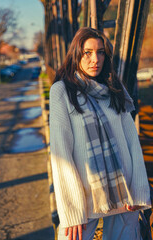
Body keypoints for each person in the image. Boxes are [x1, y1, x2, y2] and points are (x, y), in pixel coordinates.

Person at [49, 27, 151, 240]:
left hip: (124, 192)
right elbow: (61, 153)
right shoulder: (62, 91)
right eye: (88, 52)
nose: (95, 59)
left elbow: (132, 141)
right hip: (85, 198)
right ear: (77, 53)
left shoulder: (115, 88)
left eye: (101, 52)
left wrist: (139, 191)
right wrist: (72, 211)